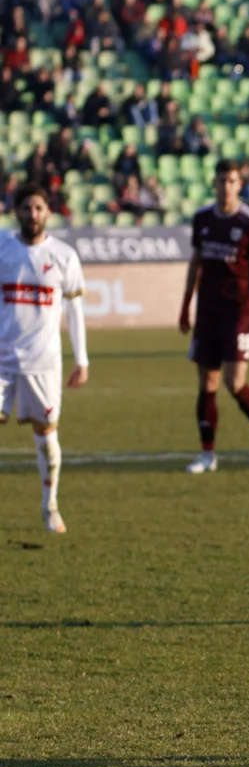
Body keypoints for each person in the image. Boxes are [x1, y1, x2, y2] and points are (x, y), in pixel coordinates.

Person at [179, 160, 249, 474]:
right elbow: (195, 263)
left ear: (239, 185)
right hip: (207, 314)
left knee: (235, 383)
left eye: (232, 181)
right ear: (215, 184)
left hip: (238, 314)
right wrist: (185, 306)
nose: (226, 186)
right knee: (207, 385)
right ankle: (207, 455)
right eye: (221, 180)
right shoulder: (202, 219)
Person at [0, 183, 89, 533]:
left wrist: (82, 359)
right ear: (16, 211)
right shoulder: (3, 248)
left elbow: (75, 310)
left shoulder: (64, 256)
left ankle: (50, 505)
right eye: (26, 208)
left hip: (44, 363)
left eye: (38, 208)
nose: (32, 215)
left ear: (48, 212)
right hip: (2, 359)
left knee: (47, 437)